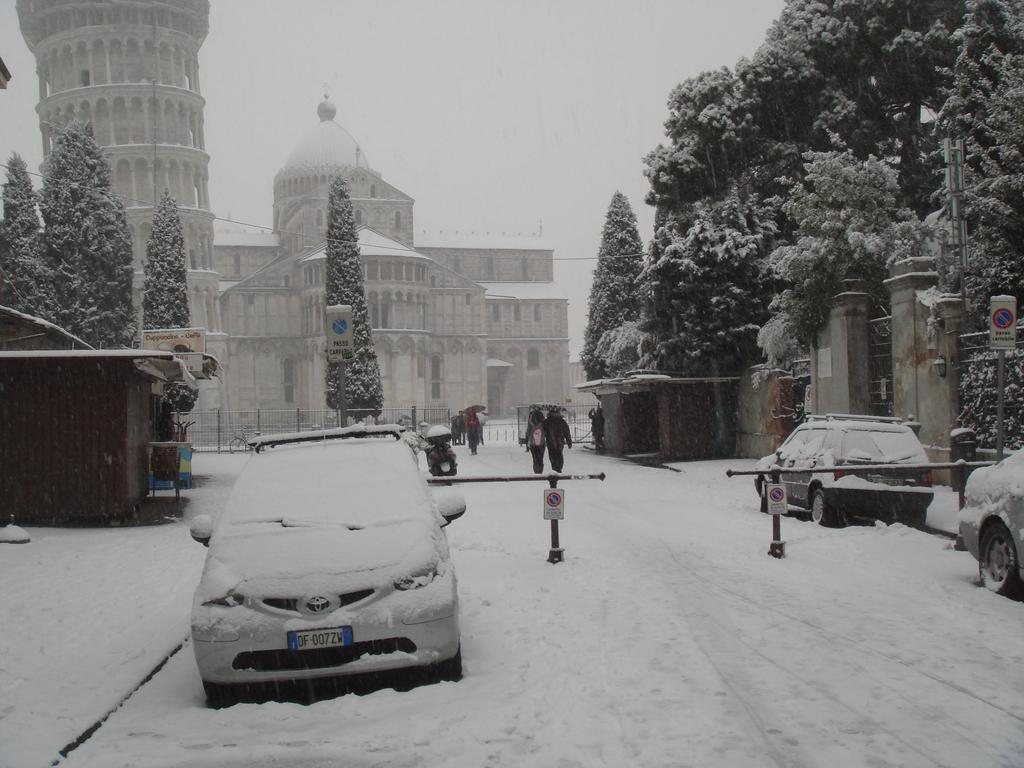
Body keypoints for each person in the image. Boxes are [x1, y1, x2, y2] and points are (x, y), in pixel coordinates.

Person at [543, 407, 572, 473]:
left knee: (552, 455)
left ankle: (555, 467)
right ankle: (558, 468)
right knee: (559, 454)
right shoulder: (561, 421)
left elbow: (543, 432)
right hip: (559, 442)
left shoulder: (547, 421)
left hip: (550, 442)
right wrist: (569, 441)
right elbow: (566, 432)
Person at [526, 408, 547, 474]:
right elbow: (546, 432)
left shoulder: (530, 422)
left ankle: (536, 471)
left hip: (533, 443)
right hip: (542, 442)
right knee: (540, 458)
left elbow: (528, 433)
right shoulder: (543, 422)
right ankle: (540, 471)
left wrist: (527, 444)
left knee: (535, 458)